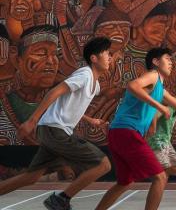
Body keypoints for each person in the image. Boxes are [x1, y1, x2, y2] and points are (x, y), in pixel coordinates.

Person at [0, 37, 113, 210]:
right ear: (94, 58)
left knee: (30, 177)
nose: (110, 57)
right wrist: (32, 120)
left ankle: (59, 200)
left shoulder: (94, 84)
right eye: (106, 53)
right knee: (103, 164)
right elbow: (55, 92)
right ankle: (61, 200)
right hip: (55, 131)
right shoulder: (84, 75)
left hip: (53, 131)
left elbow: (70, 104)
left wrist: (91, 120)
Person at [95, 48, 176, 210]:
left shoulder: (161, 89)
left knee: (124, 183)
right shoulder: (153, 75)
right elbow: (132, 85)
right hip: (127, 132)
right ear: (155, 62)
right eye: (167, 59)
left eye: (172, 60)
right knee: (160, 177)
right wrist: (160, 107)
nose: (171, 62)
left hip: (119, 133)